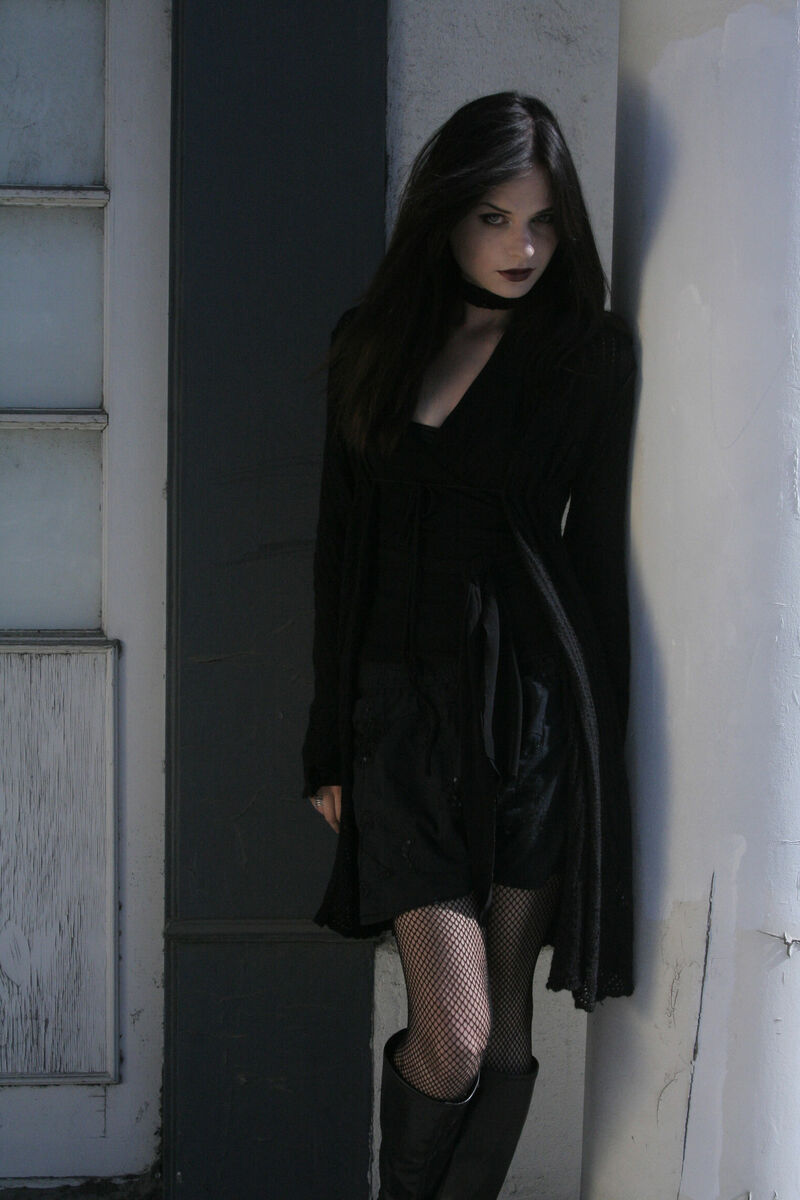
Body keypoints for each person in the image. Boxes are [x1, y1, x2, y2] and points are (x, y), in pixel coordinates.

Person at [302, 92, 635, 1200]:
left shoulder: (585, 356)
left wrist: (603, 758)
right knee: (452, 1033)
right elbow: (339, 548)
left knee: (504, 1030)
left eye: (542, 222)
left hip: (531, 717)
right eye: (493, 217)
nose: (520, 247)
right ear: (445, 214)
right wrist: (327, 743)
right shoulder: (370, 343)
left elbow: (597, 561)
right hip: (398, 719)